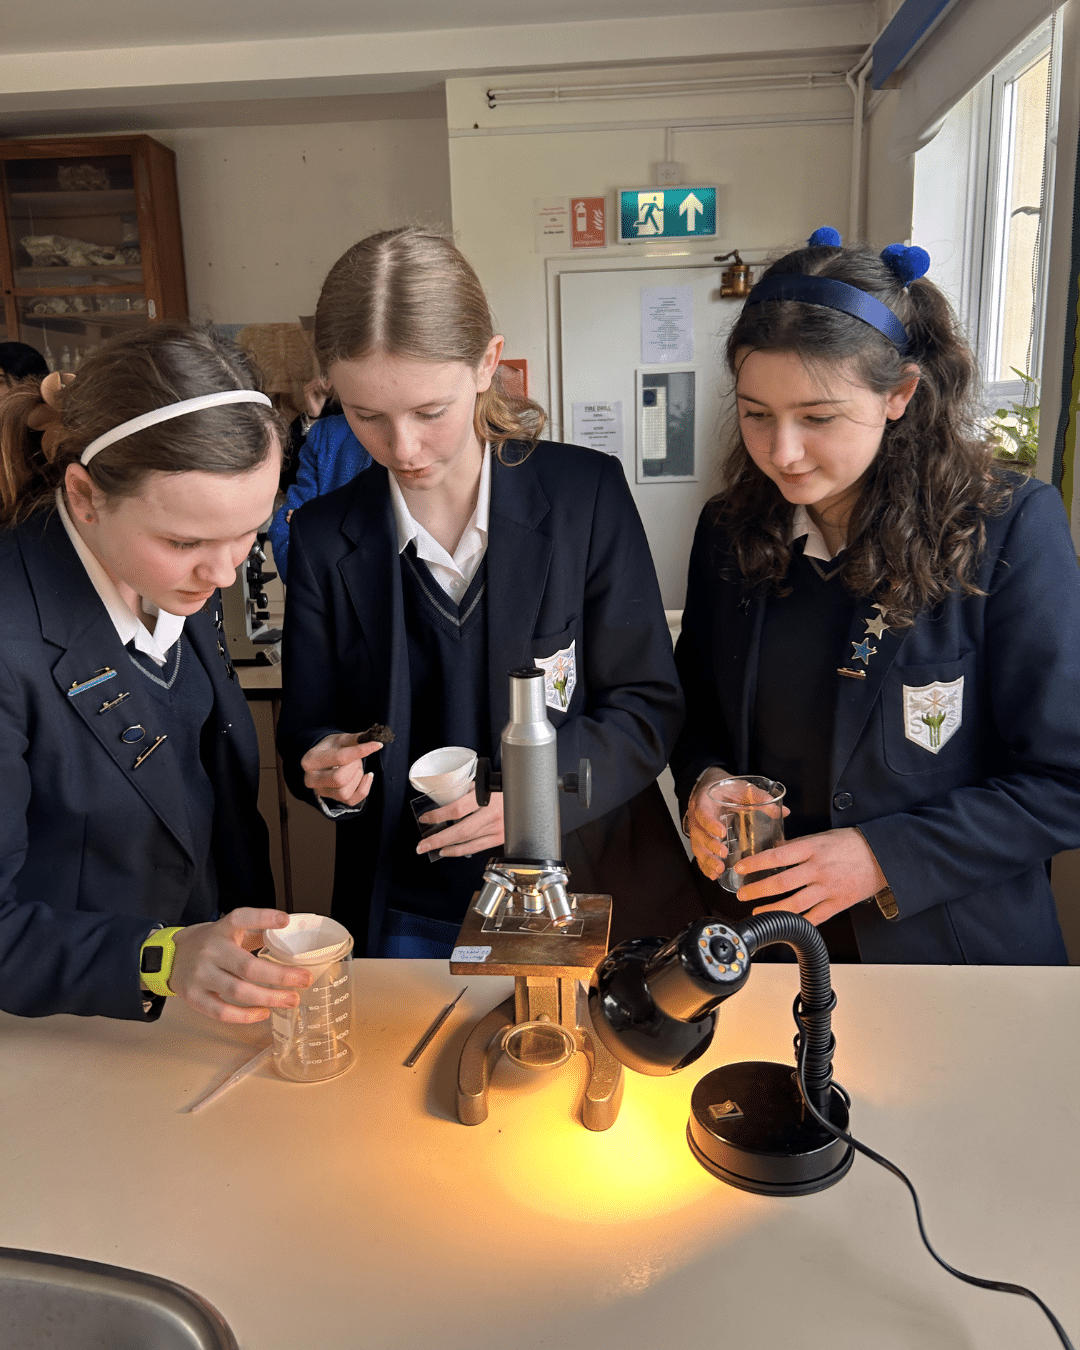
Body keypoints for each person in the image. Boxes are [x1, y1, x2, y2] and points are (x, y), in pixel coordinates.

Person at [278, 227, 700, 958]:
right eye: (366, 416)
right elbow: (306, 731)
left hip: (582, 890)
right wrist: (324, 768)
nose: (403, 449)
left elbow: (647, 708)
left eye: (429, 411)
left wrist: (537, 797)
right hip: (407, 906)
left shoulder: (583, 496)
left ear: (486, 363)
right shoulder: (322, 535)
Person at [672, 227, 1080, 964]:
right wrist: (706, 781)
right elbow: (696, 710)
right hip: (771, 950)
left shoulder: (1007, 526)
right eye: (757, 413)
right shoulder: (729, 532)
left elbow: (1064, 779)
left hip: (951, 954)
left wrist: (881, 856)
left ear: (899, 395)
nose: (782, 452)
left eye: (818, 417)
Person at [0, 324, 314, 1018]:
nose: (224, 572)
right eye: (183, 541)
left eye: (249, 532)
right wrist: (159, 957)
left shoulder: (175, 576)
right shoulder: (12, 634)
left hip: (198, 1003)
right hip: (69, 1029)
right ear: (85, 496)